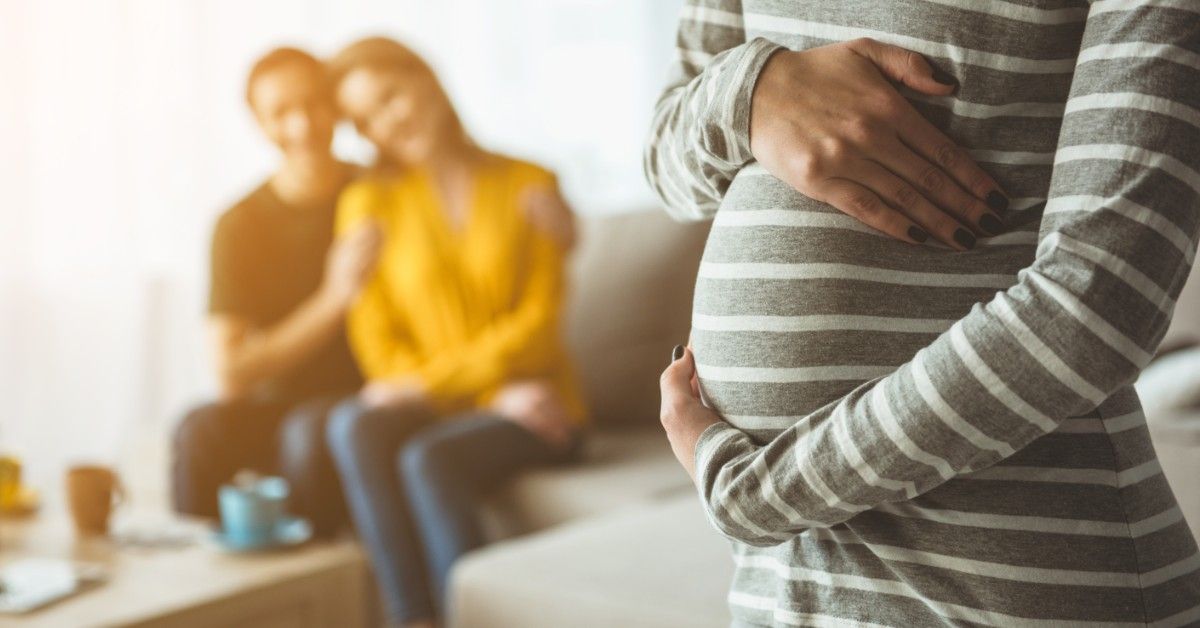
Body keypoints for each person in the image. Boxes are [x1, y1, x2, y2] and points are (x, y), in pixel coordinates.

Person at [648, 2, 1200, 626]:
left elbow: (1100, 304)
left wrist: (762, 498)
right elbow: (665, 163)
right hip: (783, 576)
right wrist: (747, 95)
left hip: (1012, 580)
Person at [322, 37, 586, 628]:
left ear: (427, 79)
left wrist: (452, 388)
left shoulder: (531, 183)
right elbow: (377, 345)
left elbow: (540, 330)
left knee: (428, 459)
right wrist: (485, 391)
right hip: (481, 399)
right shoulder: (367, 204)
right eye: (364, 120)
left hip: (540, 409)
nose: (386, 125)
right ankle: (414, 618)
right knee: (354, 423)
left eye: (390, 97)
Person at [172, 47, 380, 538]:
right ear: (259, 124)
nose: (303, 125)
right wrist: (334, 299)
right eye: (281, 112)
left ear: (338, 106)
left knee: (306, 432)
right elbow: (231, 373)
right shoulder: (239, 225)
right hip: (278, 402)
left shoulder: (379, 193)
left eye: (314, 104)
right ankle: (201, 579)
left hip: (367, 395)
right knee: (197, 430)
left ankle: (316, 590)